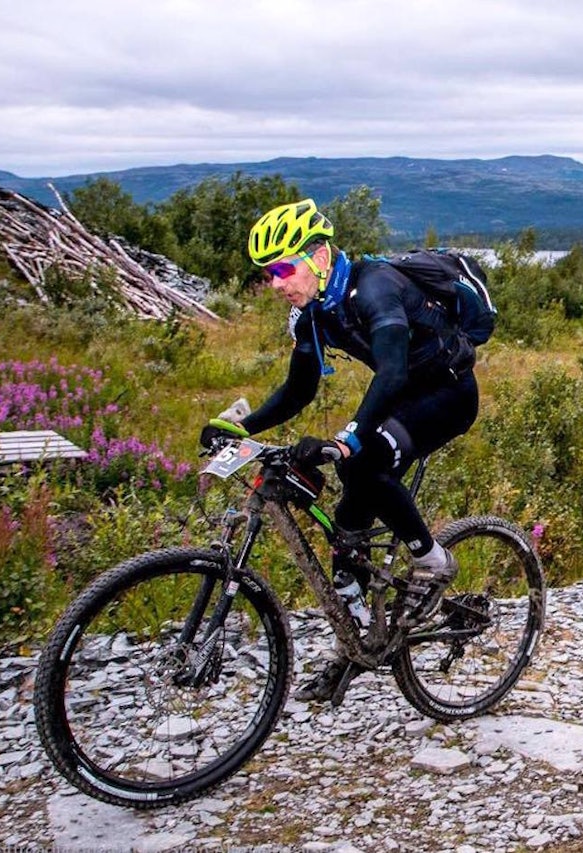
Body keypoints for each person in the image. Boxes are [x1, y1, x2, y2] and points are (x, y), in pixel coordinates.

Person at [203, 199, 479, 701]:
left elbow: (393, 372)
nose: (277, 284)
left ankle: (432, 559)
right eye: (269, 274)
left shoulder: (376, 289)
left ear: (320, 256)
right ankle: (359, 644)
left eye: (284, 269)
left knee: (367, 460)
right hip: (399, 398)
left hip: (447, 395)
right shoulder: (313, 313)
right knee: (347, 523)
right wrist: (242, 429)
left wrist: (345, 439)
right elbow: (298, 391)